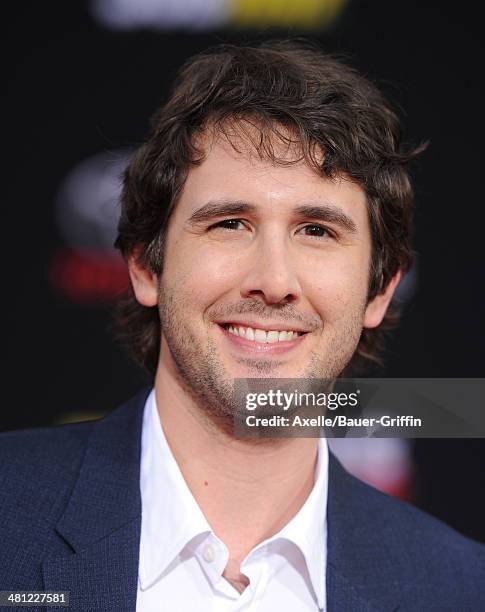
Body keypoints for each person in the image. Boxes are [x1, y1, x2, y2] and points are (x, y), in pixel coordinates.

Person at [1, 40, 484, 611]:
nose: (274, 280)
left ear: (380, 290)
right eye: (231, 223)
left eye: (317, 231)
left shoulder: (458, 587)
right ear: (144, 265)